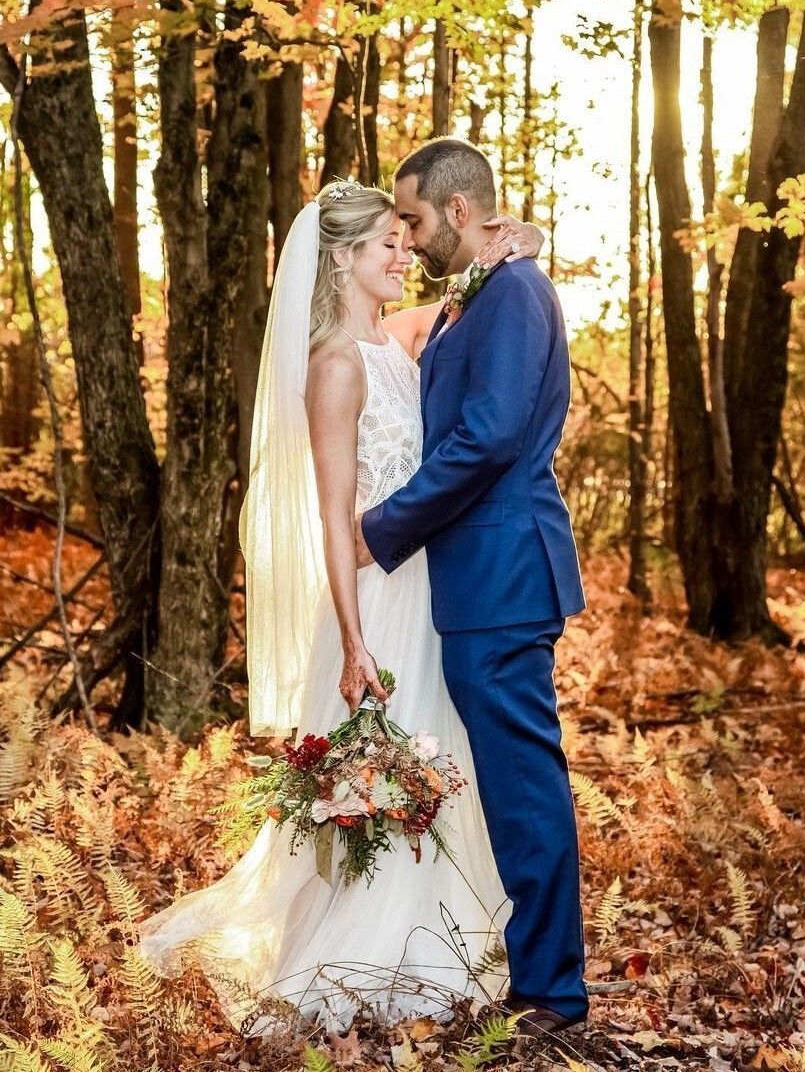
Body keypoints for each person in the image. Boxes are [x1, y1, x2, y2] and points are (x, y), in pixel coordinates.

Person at [136, 177, 546, 1036]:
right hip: (375, 602)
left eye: (407, 241)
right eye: (385, 248)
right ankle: (364, 951)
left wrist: (524, 242)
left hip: (437, 587)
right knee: (383, 772)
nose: (404, 257)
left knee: (441, 765)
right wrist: (354, 639)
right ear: (340, 260)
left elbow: (472, 306)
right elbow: (331, 513)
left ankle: (444, 944)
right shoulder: (330, 365)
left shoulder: (402, 342)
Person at [356, 138, 589, 1033]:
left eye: (412, 219)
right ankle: (529, 972)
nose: (406, 239)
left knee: (523, 786)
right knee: (503, 782)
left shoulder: (516, 295)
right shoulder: (482, 289)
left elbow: (489, 437)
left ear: (457, 211)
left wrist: (381, 530)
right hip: (473, 575)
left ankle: (553, 994)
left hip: (502, 571)